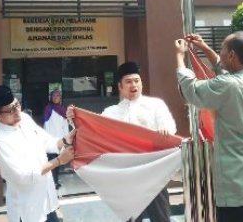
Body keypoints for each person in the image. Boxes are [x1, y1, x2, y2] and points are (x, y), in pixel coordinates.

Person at [175, 32, 243, 222]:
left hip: (239, 188)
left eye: (222, 49)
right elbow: (227, 73)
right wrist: (205, 48)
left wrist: (179, 58)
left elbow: (190, 90)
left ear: (231, 55)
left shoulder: (227, 85)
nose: (220, 53)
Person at [67, 61, 177, 222]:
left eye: (137, 80)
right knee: (132, 219)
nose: (134, 85)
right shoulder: (111, 113)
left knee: (161, 218)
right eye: (129, 81)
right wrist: (74, 118)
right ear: (120, 86)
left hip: (153, 174)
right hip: (127, 176)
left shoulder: (155, 105)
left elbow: (170, 128)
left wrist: (164, 131)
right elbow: (91, 132)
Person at [0, 85, 75, 222]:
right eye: (11, 110)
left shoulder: (24, 119)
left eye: (17, 105)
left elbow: (46, 142)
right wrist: (58, 161)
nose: (17, 112)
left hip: (47, 201)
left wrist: (64, 140)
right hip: (28, 209)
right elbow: (24, 175)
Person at [42, 88, 68, 189]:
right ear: (51, 97)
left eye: (57, 96)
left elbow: (65, 126)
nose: (56, 98)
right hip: (51, 140)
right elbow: (46, 125)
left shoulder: (62, 109)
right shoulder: (48, 109)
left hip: (60, 140)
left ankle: (55, 181)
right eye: (54, 96)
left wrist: (66, 140)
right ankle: (53, 183)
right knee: (52, 161)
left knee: (58, 162)